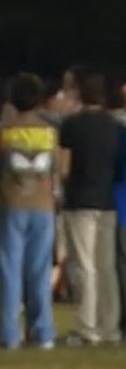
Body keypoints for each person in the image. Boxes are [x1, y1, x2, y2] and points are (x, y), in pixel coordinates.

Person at [0, 73, 58, 350]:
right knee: (39, 271)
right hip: (43, 206)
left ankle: (8, 334)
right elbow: (57, 169)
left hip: (9, 204)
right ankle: (42, 333)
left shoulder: (0, 130)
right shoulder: (49, 131)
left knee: (8, 270)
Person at [58, 68, 121, 345]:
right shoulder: (116, 128)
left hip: (80, 198)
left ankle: (88, 326)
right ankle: (110, 326)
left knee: (84, 266)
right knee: (106, 266)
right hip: (107, 200)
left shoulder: (72, 125)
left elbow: (63, 165)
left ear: (81, 95)